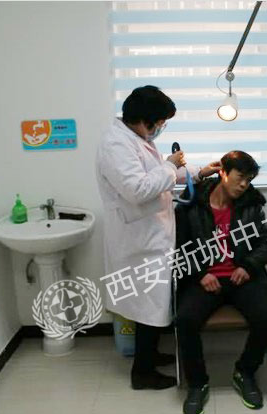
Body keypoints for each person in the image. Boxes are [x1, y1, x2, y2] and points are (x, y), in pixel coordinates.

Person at [96, 85, 221, 390]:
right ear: (145, 120)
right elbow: (139, 189)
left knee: (151, 304)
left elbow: (160, 176)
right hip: (138, 240)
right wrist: (169, 165)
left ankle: (149, 356)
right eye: (161, 122)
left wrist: (199, 172)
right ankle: (142, 373)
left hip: (151, 236)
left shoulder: (137, 139)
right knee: (146, 306)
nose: (162, 128)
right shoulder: (116, 145)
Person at [175, 151, 267, 414]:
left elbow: (265, 243)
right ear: (223, 172)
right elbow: (179, 246)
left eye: (249, 180)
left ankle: (245, 372)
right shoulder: (192, 202)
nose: (243, 185)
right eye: (240, 177)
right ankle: (197, 383)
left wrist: (248, 266)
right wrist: (200, 274)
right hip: (204, 279)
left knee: (266, 318)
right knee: (185, 320)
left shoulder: (251, 204)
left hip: (241, 277)